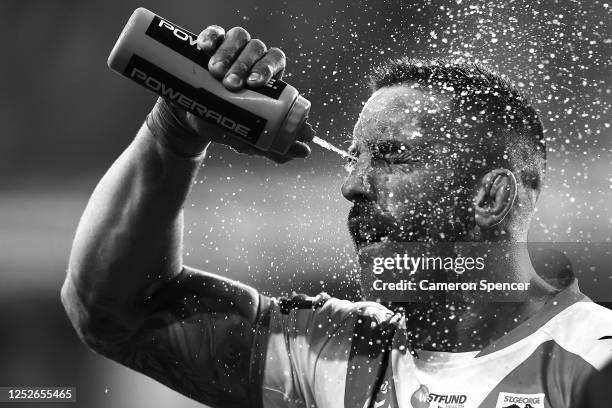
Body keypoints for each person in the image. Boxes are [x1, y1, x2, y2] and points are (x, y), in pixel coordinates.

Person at [61, 23, 612, 408]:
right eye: (354, 158)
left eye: (393, 157)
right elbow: (115, 312)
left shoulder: (591, 361)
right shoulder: (331, 352)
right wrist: (172, 135)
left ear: (491, 198)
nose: (352, 185)